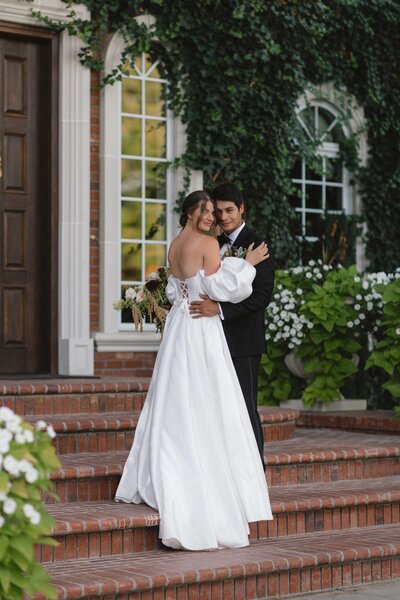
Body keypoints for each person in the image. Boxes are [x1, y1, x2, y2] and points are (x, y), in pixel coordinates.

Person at [115, 190, 273, 551]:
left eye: (212, 212)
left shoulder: (175, 244)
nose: (210, 217)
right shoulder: (207, 244)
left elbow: (174, 291)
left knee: (177, 396)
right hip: (200, 328)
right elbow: (223, 288)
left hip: (179, 326)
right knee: (208, 398)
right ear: (190, 213)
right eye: (204, 211)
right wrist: (247, 264)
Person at [189, 183, 275, 466]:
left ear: (242, 209)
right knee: (217, 406)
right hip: (212, 338)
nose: (223, 217)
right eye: (218, 211)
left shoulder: (257, 245)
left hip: (243, 341)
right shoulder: (213, 242)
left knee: (246, 407)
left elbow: (262, 297)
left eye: (229, 210)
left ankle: (256, 471)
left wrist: (221, 309)